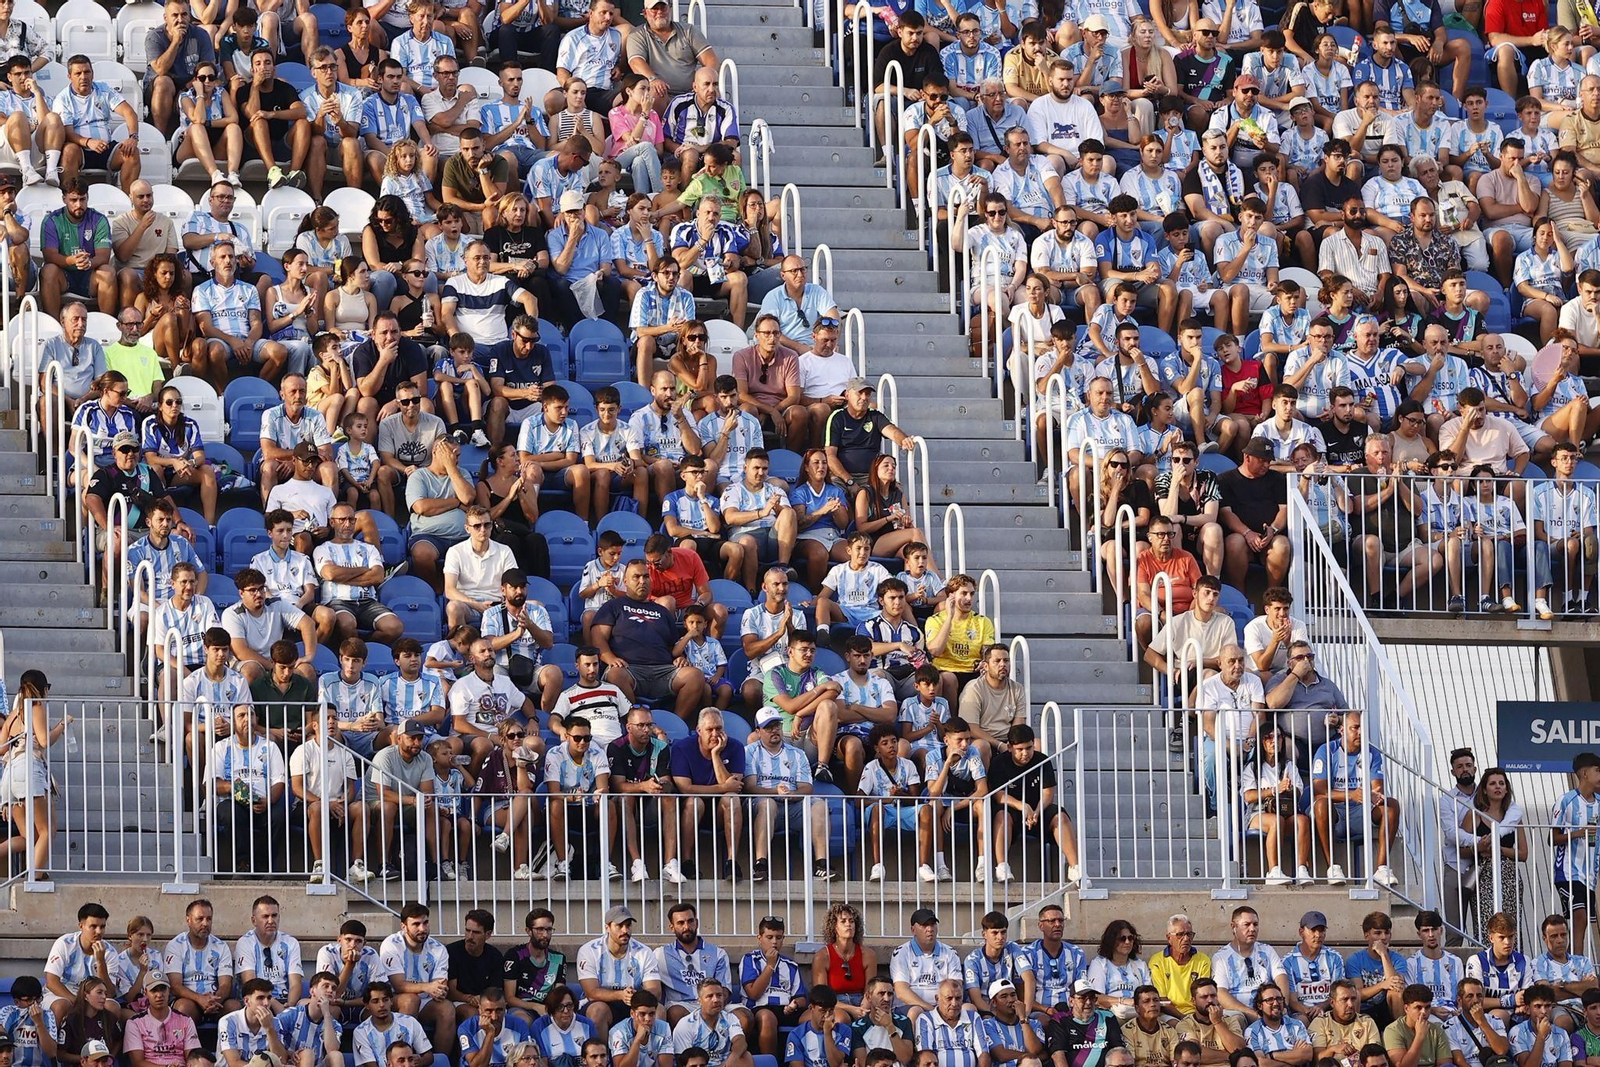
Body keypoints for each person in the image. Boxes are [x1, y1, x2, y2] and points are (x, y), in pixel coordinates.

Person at [1309, 711, 1400, 889]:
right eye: (1355, 728)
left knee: (1392, 805)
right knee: (1321, 804)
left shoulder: (1372, 752)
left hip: (1360, 811)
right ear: (1342, 730)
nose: (1360, 732)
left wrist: (1371, 795)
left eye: (1362, 728)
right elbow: (1319, 791)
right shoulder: (1326, 750)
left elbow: (1376, 789)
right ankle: (1333, 867)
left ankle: (1381, 869)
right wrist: (1350, 794)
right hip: (1335, 812)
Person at [209, 705, 288, 874]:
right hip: (233, 802)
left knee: (278, 815)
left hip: (263, 802)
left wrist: (268, 801)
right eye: (241, 715)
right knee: (231, 812)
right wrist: (237, 789)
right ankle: (242, 863)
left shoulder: (270, 747)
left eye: (251, 714)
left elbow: (279, 782)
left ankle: (265, 865)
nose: (247, 719)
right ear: (233, 722)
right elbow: (212, 783)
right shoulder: (221, 747)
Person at [669, 709, 745, 882]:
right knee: (694, 802)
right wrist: (723, 787)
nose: (715, 734)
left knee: (732, 799)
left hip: (720, 811)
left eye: (719, 729)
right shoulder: (682, 748)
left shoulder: (735, 747)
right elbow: (685, 788)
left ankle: (731, 861)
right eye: (710, 729)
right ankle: (687, 861)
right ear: (699, 730)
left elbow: (733, 788)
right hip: (692, 809)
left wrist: (716, 754)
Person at [40, 177, 117, 320]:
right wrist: (72, 260)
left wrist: (88, 263)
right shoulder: (52, 220)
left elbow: (104, 256)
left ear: (88, 198)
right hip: (63, 275)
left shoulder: (99, 219)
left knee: (108, 272)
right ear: (64, 199)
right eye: (73, 200)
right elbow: (49, 255)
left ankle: (107, 324)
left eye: (82, 199)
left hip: (90, 274)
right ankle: (53, 324)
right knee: (48, 270)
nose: (79, 204)